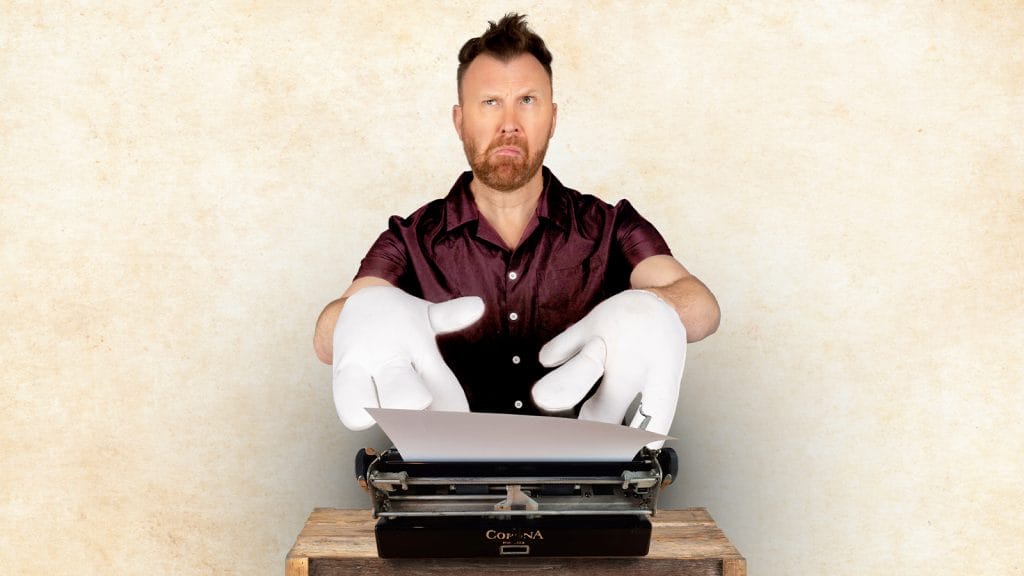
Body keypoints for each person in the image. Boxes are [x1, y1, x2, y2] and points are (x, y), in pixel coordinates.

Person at [313, 13, 719, 437]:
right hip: (442, 488)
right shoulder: (409, 238)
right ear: (459, 120)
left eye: (527, 100)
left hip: (594, 488)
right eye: (490, 102)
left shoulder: (612, 224)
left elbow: (702, 308)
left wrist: (649, 310)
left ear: (553, 117)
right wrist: (366, 315)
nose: (509, 124)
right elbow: (326, 340)